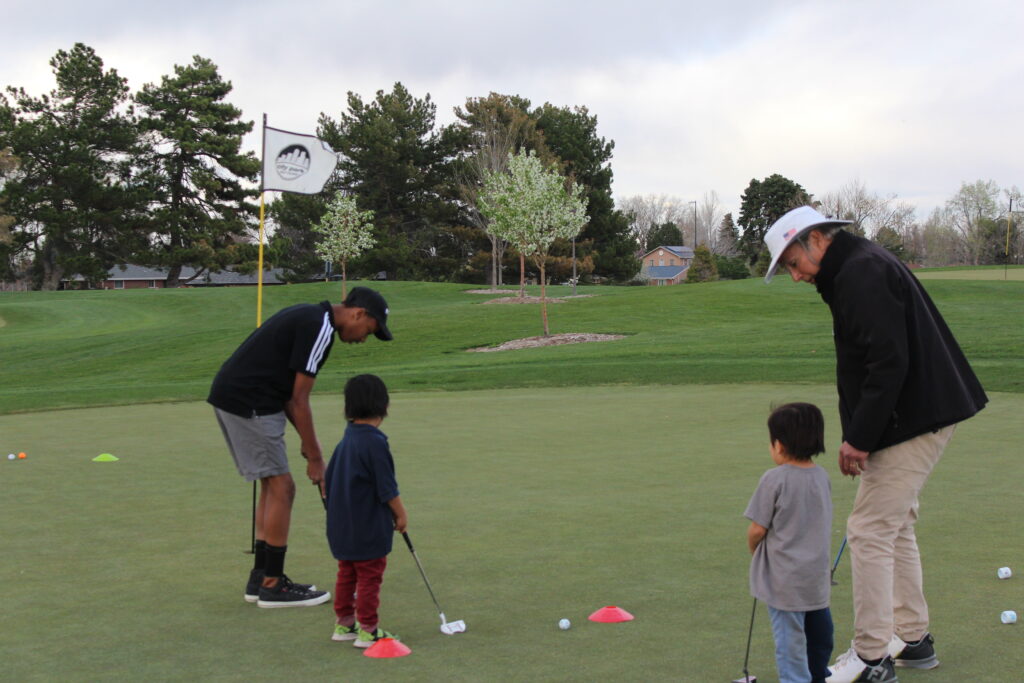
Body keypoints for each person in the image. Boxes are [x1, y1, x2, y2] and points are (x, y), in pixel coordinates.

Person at [763, 206, 987, 683]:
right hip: (915, 415)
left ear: (815, 239)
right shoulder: (853, 268)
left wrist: (858, 439)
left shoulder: (860, 273)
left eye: (791, 262)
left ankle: (870, 659)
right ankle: (911, 638)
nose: (794, 275)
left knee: (867, 530)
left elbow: (889, 364)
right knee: (895, 525)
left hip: (915, 418)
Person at [208, 287, 393, 608]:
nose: (364, 339)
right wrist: (317, 459)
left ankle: (261, 577)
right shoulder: (321, 327)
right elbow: (298, 400)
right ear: (358, 314)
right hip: (249, 401)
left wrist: (311, 450)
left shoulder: (312, 317)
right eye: (369, 331)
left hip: (239, 397)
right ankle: (273, 585)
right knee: (283, 488)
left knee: (272, 485)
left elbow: (290, 399)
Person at [746, 402, 834, 683]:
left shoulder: (773, 479)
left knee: (790, 642)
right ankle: (817, 676)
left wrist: (754, 550)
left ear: (779, 445)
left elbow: (757, 529)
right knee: (820, 636)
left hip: (785, 580)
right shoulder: (822, 476)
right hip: (816, 577)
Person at [324, 374, 407, 648]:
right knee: (370, 575)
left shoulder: (346, 440)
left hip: (342, 525)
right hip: (367, 525)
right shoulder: (374, 442)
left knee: (347, 572)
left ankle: (345, 623)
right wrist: (401, 514)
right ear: (384, 405)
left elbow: (330, 482)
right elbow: (387, 488)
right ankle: (368, 629)